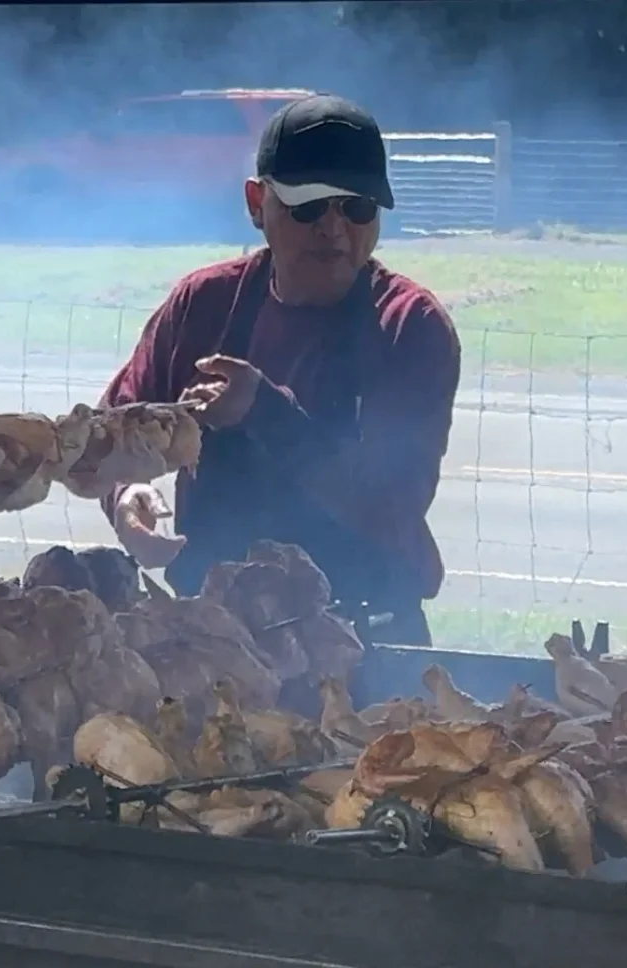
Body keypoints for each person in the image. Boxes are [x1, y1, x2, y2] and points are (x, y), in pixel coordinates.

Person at [98, 93, 461, 646]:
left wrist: (264, 411)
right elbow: (108, 436)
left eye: (357, 207)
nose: (334, 229)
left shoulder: (408, 327)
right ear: (255, 202)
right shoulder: (204, 304)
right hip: (215, 635)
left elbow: (392, 504)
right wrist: (126, 495)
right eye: (309, 207)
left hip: (365, 637)